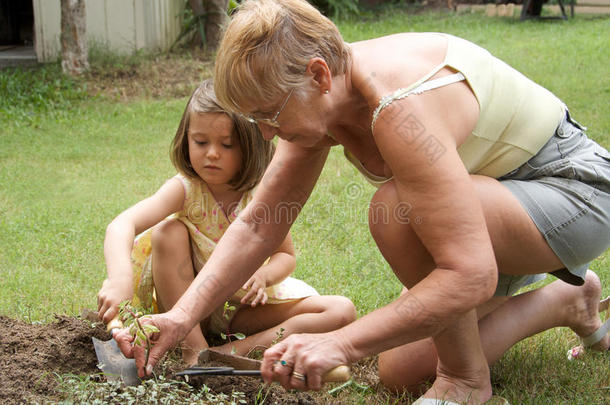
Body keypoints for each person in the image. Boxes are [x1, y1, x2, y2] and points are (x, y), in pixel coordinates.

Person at [115, 1, 610, 403]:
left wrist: (337, 342)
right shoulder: (321, 102)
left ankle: (465, 383)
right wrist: (182, 317)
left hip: (574, 191)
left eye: (269, 115)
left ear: (317, 75)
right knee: (401, 371)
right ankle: (569, 300)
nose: (265, 133)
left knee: (394, 210)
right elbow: (259, 224)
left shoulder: (397, 107)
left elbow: (470, 273)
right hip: (486, 209)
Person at [98, 78, 357, 365]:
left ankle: (229, 353)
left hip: (241, 307)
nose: (211, 153)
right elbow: (122, 224)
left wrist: (264, 276)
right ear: (186, 139)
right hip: (189, 308)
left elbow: (285, 255)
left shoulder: (259, 197)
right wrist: (119, 278)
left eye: (227, 144)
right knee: (167, 231)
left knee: (340, 311)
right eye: (200, 142)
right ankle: (194, 350)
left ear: (250, 146)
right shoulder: (185, 189)